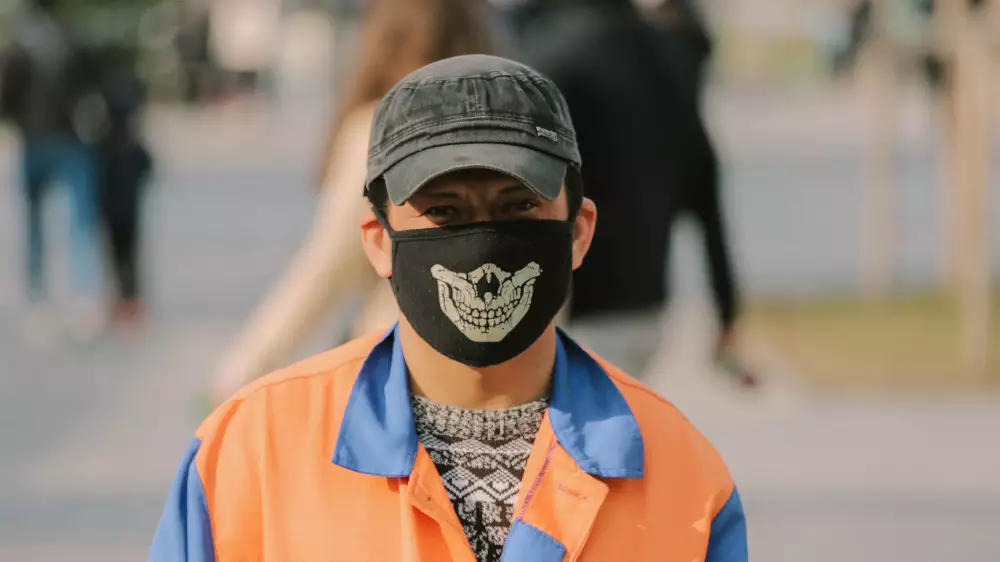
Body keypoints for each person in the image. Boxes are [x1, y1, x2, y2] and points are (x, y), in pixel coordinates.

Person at [149, 54, 747, 562]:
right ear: (378, 240)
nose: (483, 247)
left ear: (579, 231)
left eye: (517, 207)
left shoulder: (681, 475)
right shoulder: (252, 456)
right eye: (444, 212)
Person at [209, 0, 491, 404]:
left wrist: (245, 367)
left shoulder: (381, 131)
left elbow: (326, 268)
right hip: (507, 374)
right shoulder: (504, 127)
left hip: (405, 378)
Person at [517, 0, 754, 384]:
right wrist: (726, 313)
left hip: (569, 309)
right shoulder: (671, 56)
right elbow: (705, 188)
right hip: (647, 306)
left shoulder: (545, 57)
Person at [0, 0, 105, 343]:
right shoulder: (72, 40)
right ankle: (82, 298)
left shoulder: (20, 46)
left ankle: (40, 299)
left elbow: (8, 97)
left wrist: (23, 124)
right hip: (69, 141)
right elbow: (93, 89)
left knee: (36, 226)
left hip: (36, 141)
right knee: (79, 224)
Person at [96, 60, 154, 326]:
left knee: (116, 256)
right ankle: (129, 300)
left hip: (111, 208)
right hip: (128, 209)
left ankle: (125, 301)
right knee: (128, 256)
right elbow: (148, 169)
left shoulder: (103, 146)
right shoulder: (133, 147)